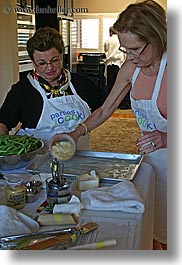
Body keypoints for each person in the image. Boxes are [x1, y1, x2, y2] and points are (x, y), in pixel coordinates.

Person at [55, 0, 167, 248]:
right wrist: (75, 134)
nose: (131, 57)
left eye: (136, 49)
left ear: (158, 37)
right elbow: (105, 109)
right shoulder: (131, 69)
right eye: (126, 50)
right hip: (151, 162)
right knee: (154, 227)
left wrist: (167, 138)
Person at [0, 27, 106, 150]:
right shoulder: (22, 90)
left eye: (54, 60)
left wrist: (84, 128)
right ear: (33, 63)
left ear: (61, 56)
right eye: (42, 63)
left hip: (79, 158)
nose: (49, 67)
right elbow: (3, 121)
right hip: (36, 161)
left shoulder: (80, 83)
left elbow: (104, 108)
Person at [104, 27, 130, 109]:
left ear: (110, 32)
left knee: (110, 86)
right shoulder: (120, 40)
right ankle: (123, 104)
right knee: (121, 85)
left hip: (109, 64)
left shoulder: (108, 40)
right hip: (119, 64)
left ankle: (111, 105)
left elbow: (105, 50)